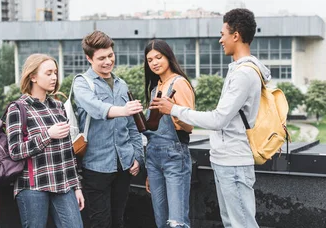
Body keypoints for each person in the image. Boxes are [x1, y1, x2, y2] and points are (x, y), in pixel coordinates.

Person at [150, 8, 265, 228]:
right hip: (226, 159)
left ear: (236, 35)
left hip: (234, 160)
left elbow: (218, 119)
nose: (220, 39)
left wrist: (173, 109)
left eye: (223, 33)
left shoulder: (243, 74)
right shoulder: (238, 70)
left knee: (242, 224)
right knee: (233, 223)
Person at [73, 31, 145, 228]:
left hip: (124, 165)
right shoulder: (82, 83)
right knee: (100, 222)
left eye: (110, 56)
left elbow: (133, 127)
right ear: (89, 58)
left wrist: (137, 156)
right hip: (96, 167)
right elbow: (96, 108)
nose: (108, 61)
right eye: (101, 58)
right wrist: (123, 110)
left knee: (119, 220)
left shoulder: (122, 85)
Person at [7, 53, 84, 228]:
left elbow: (68, 152)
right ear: (32, 76)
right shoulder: (18, 108)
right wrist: (48, 134)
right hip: (32, 186)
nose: (54, 77)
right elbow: (15, 151)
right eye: (48, 73)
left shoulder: (58, 106)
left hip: (62, 184)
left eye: (55, 72)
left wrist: (76, 186)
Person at [142, 39, 195, 228]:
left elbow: (189, 126)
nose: (154, 62)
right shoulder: (156, 87)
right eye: (150, 60)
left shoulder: (179, 83)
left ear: (168, 57)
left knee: (176, 221)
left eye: (158, 57)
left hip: (174, 154)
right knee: (160, 218)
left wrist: (171, 110)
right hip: (154, 157)